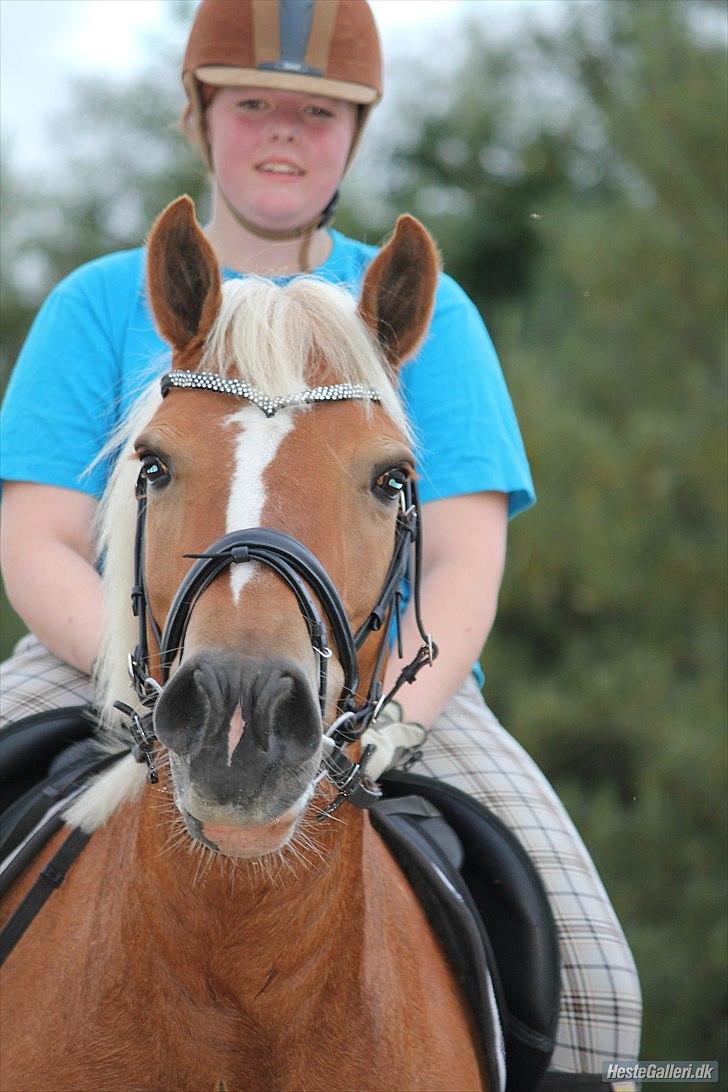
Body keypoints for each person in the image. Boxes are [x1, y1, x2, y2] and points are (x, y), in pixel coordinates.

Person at [0, 1, 641, 1085]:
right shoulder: (99, 304)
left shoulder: (432, 319)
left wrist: (389, 721)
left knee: (598, 986)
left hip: (392, 683)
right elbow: (38, 540)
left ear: (354, 131)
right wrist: (132, 686)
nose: (283, 132)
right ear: (200, 115)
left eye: (316, 110)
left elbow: (459, 564)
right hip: (98, 661)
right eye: (252, 105)